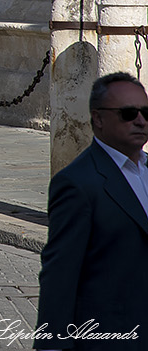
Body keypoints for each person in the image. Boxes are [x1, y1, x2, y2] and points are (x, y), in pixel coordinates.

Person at [36, 72, 148, 349]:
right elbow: (60, 274)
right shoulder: (77, 183)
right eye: (128, 113)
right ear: (98, 119)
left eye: (146, 112)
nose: (141, 121)